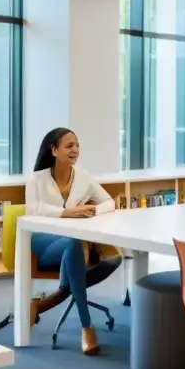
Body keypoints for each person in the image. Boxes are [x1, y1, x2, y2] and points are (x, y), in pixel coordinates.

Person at [25, 127, 115, 356]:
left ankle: (49, 300)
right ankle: (87, 326)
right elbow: (33, 209)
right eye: (69, 146)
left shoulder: (83, 177)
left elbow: (109, 203)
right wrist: (69, 213)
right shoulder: (37, 179)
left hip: (72, 241)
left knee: (115, 257)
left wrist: (92, 210)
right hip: (43, 241)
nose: (75, 150)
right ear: (54, 150)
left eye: (77, 145)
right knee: (74, 244)